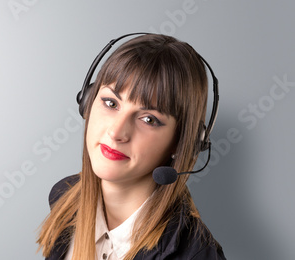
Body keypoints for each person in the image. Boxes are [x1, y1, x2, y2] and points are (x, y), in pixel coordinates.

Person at [36, 33, 226, 260]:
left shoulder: (195, 254)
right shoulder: (64, 199)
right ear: (87, 102)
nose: (116, 132)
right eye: (111, 103)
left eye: (149, 119)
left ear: (182, 141)